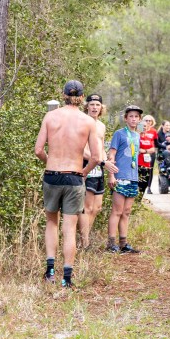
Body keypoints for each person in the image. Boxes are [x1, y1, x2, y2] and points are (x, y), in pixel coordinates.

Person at [35, 80, 102, 288]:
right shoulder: (88, 121)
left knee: (51, 222)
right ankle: (67, 277)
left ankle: (50, 270)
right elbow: (97, 157)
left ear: (63, 95)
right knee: (70, 228)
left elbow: (38, 150)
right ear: (82, 98)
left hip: (52, 175)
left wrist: (51, 163)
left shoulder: (50, 116)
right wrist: (83, 173)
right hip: (74, 176)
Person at [78, 94, 119, 250]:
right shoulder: (82, 123)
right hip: (86, 165)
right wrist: (98, 160)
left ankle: (85, 238)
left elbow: (101, 148)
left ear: (102, 108)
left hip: (99, 167)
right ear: (87, 106)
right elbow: (79, 149)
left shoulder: (101, 126)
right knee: (86, 207)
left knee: (97, 207)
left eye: (97, 105)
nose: (95, 107)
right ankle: (85, 243)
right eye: (92, 104)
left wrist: (108, 168)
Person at [107, 105, 144, 254]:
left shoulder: (137, 135)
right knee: (117, 210)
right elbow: (112, 155)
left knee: (127, 211)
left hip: (133, 177)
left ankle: (123, 243)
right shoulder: (119, 134)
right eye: (131, 116)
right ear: (126, 118)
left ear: (139, 119)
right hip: (120, 176)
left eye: (136, 116)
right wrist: (111, 175)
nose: (134, 119)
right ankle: (111, 243)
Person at [138, 114, 158, 195]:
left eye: (149, 121)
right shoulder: (137, 134)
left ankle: (148, 188)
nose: (148, 122)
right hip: (139, 160)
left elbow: (154, 147)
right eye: (146, 120)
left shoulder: (153, 132)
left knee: (148, 174)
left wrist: (145, 151)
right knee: (139, 178)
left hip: (148, 158)